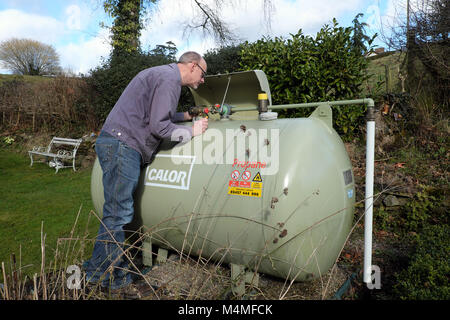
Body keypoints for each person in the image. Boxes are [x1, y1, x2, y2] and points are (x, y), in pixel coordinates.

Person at [84, 51, 209, 295]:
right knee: (118, 214)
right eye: (203, 73)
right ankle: (105, 277)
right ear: (193, 66)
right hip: (124, 146)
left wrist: (184, 116)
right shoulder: (170, 80)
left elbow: (155, 114)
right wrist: (191, 132)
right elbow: (159, 126)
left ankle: (97, 269)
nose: (203, 80)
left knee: (115, 212)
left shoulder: (162, 74)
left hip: (116, 141)